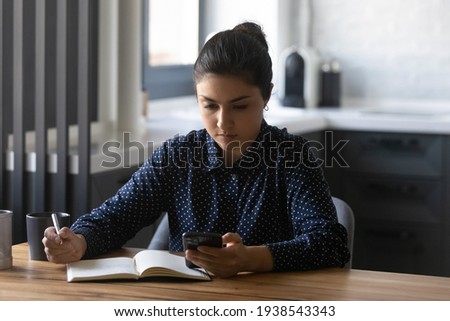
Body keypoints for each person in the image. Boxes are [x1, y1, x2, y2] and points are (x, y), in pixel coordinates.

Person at [43, 22, 350, 278]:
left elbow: (330, 244)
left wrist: (249, 259)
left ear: (267, 94)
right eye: (209, 105)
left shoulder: (291, 157)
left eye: (240, 106)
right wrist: (78, 242)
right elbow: (115, 217)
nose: (223, 122)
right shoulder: (177, 156)